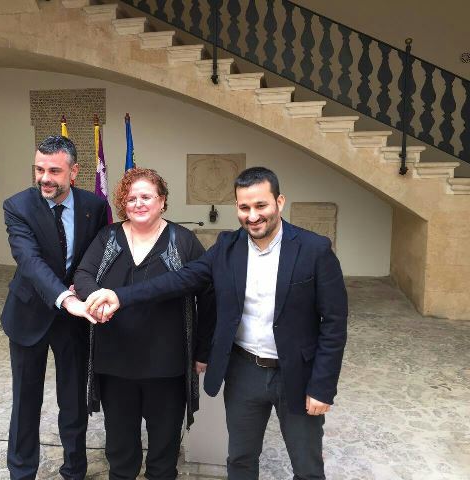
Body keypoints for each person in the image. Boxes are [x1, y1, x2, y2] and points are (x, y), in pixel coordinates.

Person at [86, 167, 348, 480]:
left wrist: (322, 386)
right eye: (244, 207)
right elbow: (179, 280)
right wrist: (120, 296)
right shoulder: (227, 247)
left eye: (261, 205)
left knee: (306, 467)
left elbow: (334, 324)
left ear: (279, 202)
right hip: (244, 371)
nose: (253, 216)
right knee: (240, 460)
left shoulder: (314, 249)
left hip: (298, 373)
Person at [73, 167, 216, 480]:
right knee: (120, 450)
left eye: (146, 197)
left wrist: (203, 350)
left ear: (162, 201)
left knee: (164, 451)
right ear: (123, 203)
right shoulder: (108, 237)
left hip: (166, 365)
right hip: (114, 363)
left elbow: (208, 293)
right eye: (131, 198)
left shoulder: (183, 241)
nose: (138, 203)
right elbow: (83, 274)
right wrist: (95, 297)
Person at [1, 135, 108, 480]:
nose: (44, 178)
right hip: (29, 312)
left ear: (74, 172)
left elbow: (95, 256)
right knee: (26, 400)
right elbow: (29, 261)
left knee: (74, 400)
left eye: (54, 171)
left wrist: (85, 287)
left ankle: (74, 469)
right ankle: (21, 472)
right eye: (39, 169)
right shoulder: (17, 206)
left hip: (74, 321)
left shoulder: (94, 206)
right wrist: (67, 298)